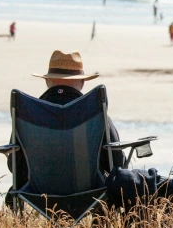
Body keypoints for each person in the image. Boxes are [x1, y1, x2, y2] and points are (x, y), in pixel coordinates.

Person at [8, 51, 123, 191]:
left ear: (47, 81)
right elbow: (117, 161)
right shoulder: (94, 112)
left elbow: (13, 164)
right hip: (89, 192)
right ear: (82, 82)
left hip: (38, 192)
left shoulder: (31, 113)